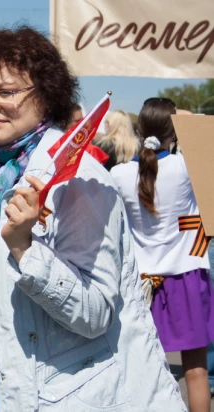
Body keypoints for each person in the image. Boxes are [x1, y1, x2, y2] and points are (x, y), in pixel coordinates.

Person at [0, 27, 184, 411]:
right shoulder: (2, 174)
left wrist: (25, 250)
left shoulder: (78, 177)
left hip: (79, 395)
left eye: (6, 92)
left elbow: (96, 311)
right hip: (15, 380)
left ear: (45, 94)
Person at [111, 97, 214, 412]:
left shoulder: (117, 174)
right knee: (196, 373)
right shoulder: (185, 166)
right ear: (174, 131)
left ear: (140, 129)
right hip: (187, 277)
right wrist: (179, 118)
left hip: (140, 285)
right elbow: (203, 130)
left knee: (142, 374)